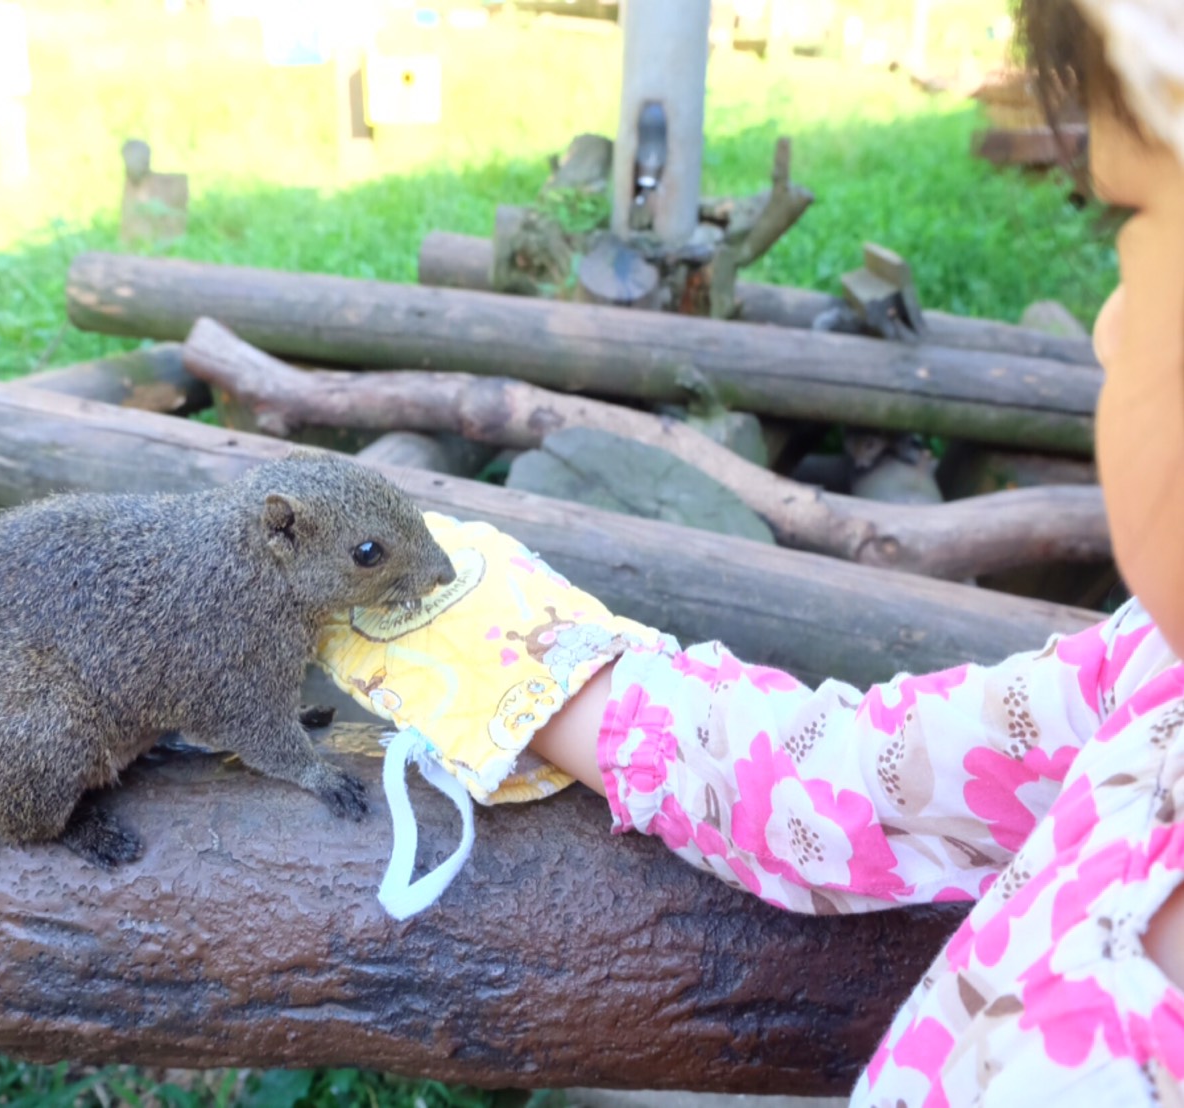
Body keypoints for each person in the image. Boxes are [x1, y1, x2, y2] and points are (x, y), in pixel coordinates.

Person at [318, 0, 1184, 1099]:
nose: (1107, 326)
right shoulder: (1151, 674)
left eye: (1139, 225)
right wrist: (553, 678)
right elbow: (860, 779)